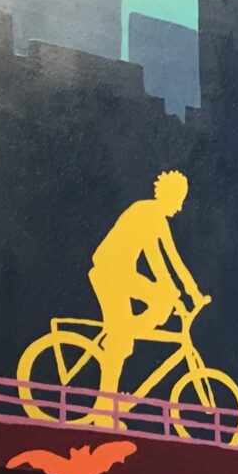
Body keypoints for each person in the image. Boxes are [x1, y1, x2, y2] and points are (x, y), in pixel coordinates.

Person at [88, 170, 205, 415]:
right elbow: (157, 261)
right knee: (121, 342)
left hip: (122, 275)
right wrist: (176, 295)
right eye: (179, 201)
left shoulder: (158, 219)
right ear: (169, 197)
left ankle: (122, 332)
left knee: (161, 303)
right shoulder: (145, 212)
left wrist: (192, 293)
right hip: (110, 273)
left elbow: (173, 260)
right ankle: (103, 409)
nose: (180, 208)